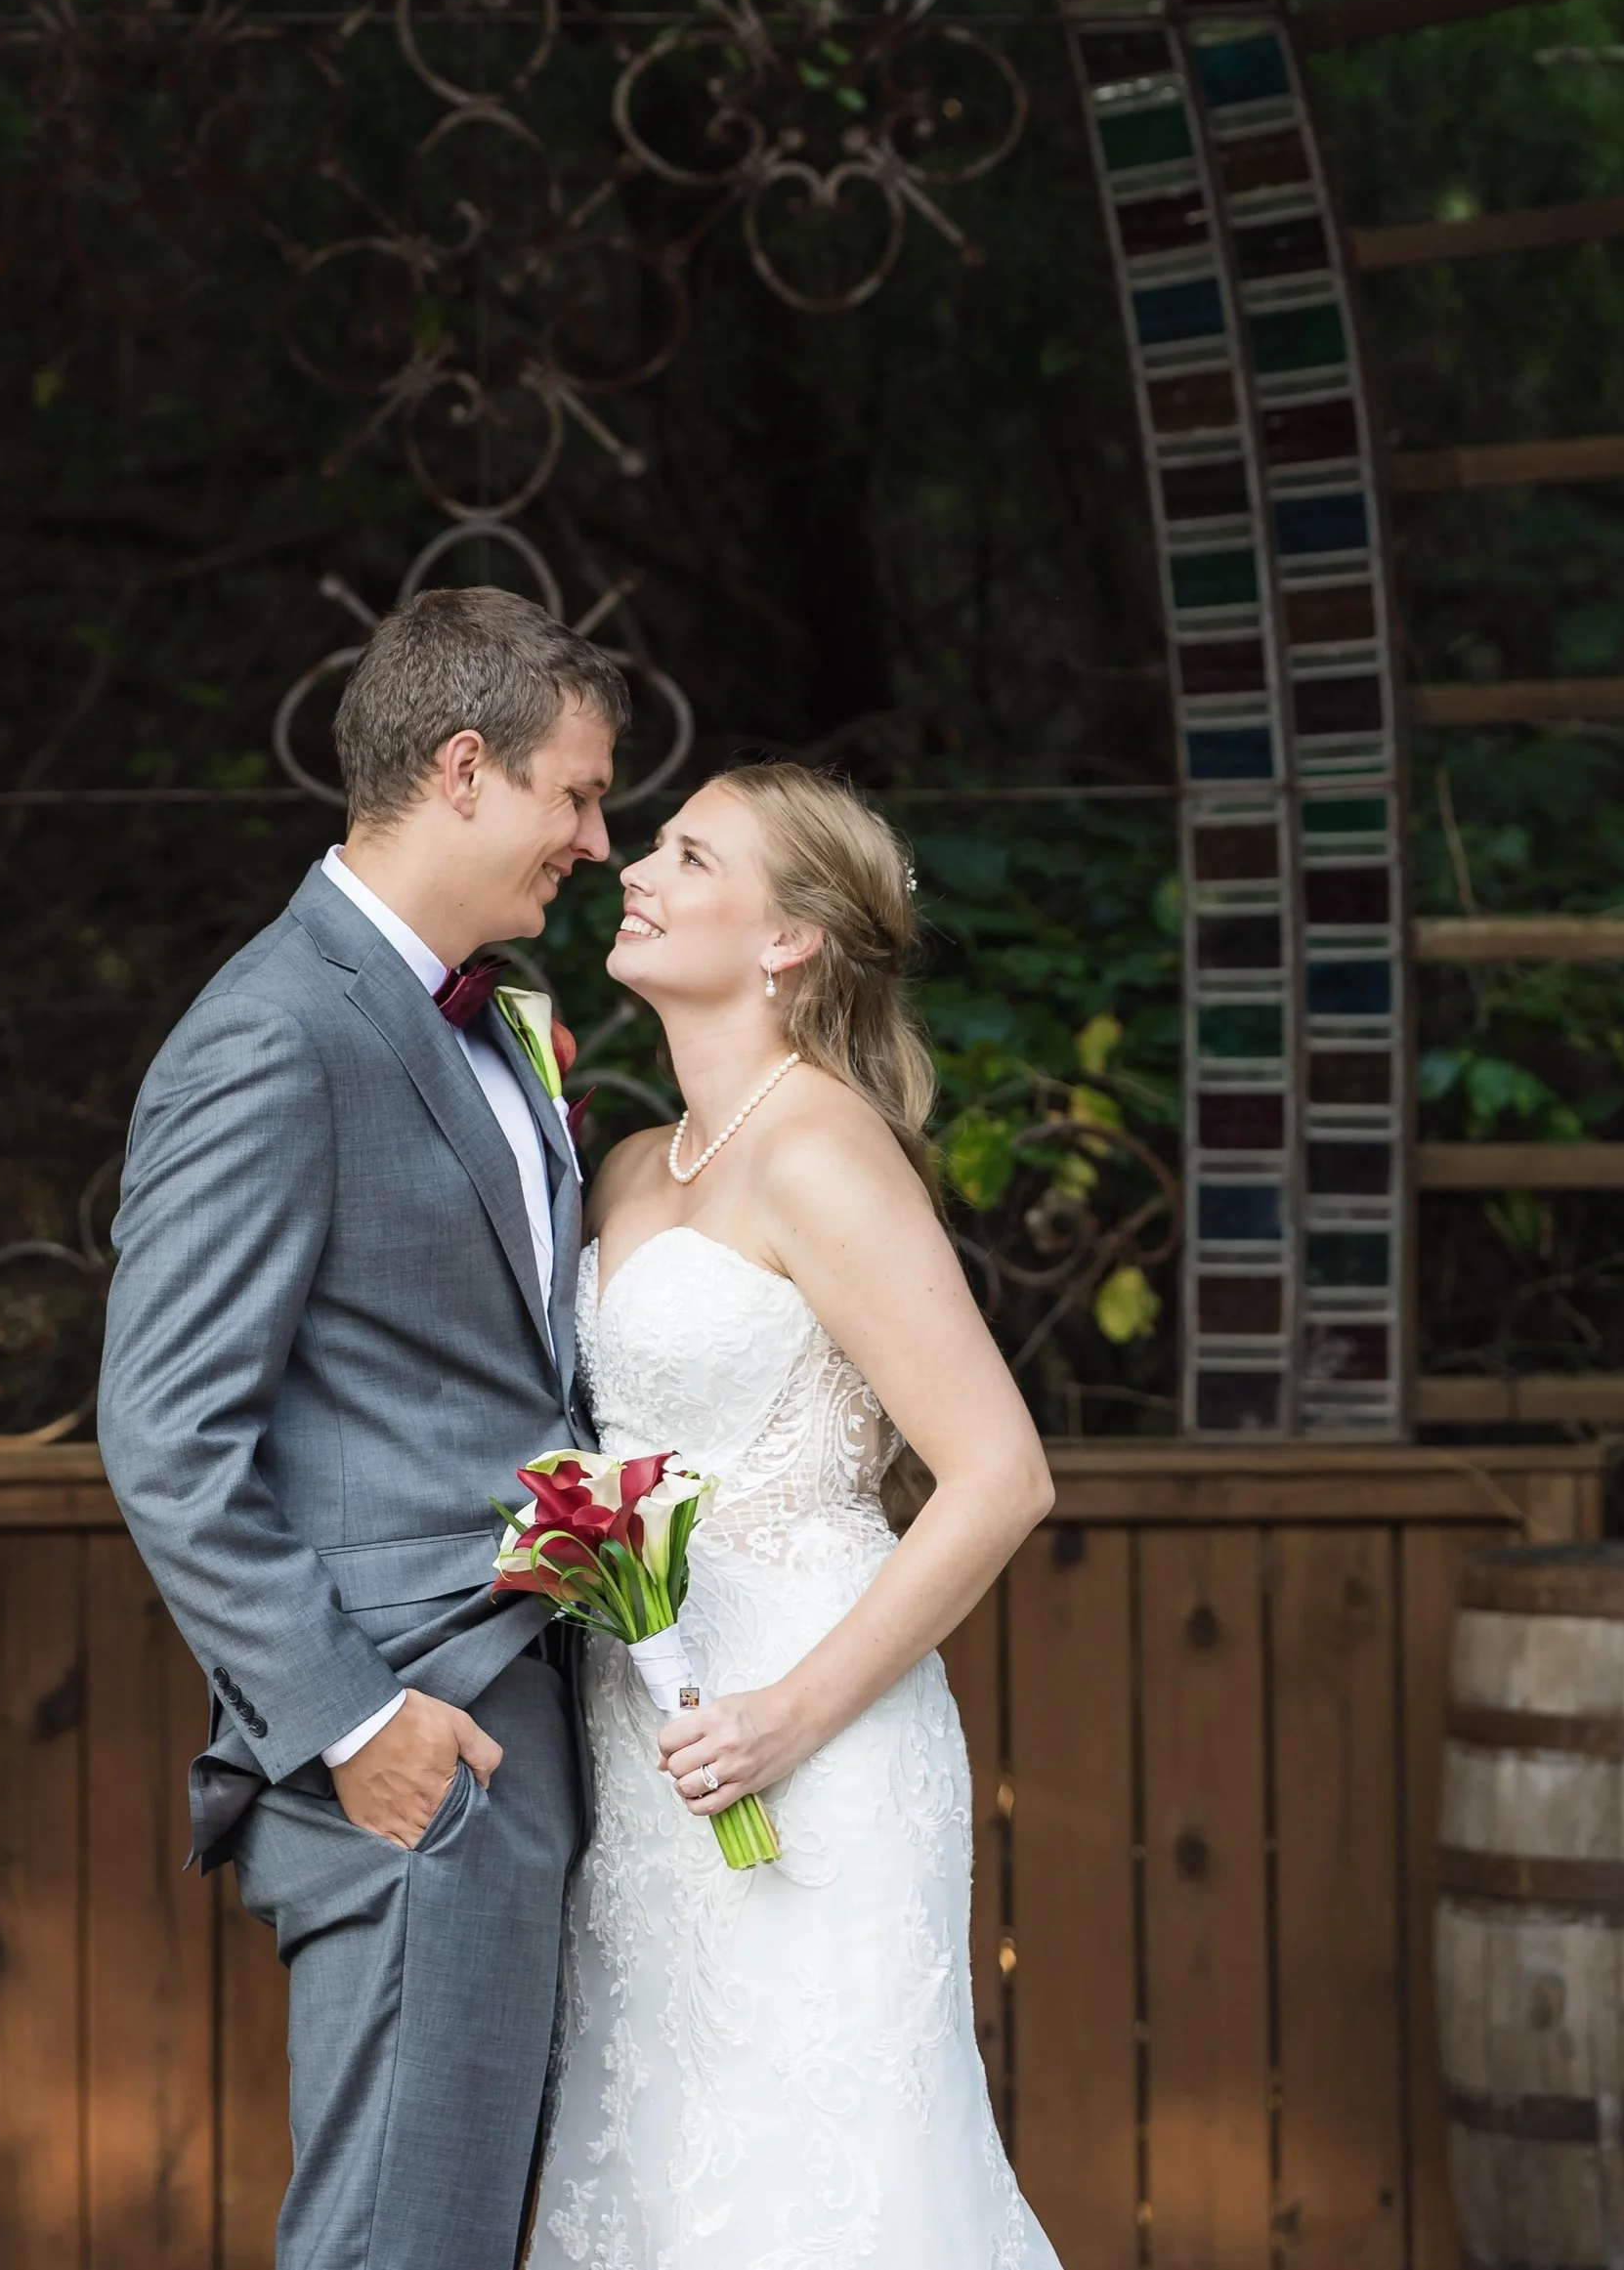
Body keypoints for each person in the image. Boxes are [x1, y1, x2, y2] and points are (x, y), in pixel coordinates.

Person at [99, 583, 625, 2270]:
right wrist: (351, 1722)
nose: (599, 841)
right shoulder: (273, 1031)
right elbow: (167, 1430)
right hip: (414, 1754)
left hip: (524, 1722)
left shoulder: (478, 1022)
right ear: (463, 770)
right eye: (577, 793)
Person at [533, 762, 1061, 2270]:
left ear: (789, 942)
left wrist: (786, 1718)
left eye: (690, 856)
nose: (636, 868)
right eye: (652, 844)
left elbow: (1001, 1475)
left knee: (820, 2184)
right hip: (644, 1740)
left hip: (809, 1741)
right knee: (663, 2155)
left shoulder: (824, 1149)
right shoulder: (635, 1164)